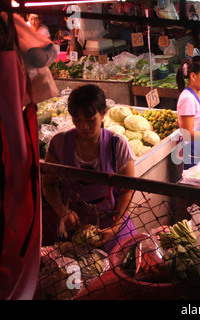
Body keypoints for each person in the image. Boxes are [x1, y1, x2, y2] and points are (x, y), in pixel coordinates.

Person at [42, 84, 137, 253]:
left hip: (113, 230)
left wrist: (115, 227)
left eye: (90, 120)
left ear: (103, 113)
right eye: (77, 120)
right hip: (75, 232)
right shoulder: (59, 144)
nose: (84, 127)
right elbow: (48, 185)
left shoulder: (117, 145)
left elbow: (127, 191)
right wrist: (63, 212)